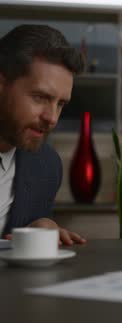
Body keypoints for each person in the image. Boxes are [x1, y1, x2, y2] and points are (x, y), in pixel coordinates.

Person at [0, 24, 86, 245]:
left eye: (61, 104)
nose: (52, 118)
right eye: (40, 97)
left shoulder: (46, 167)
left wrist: (39, 229)